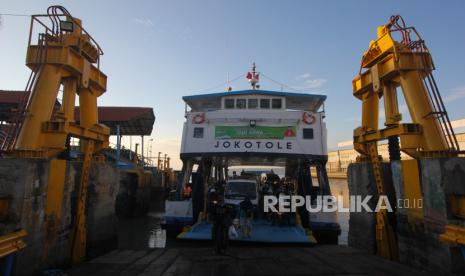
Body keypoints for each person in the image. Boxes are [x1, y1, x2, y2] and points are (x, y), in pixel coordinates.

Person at [208, 189, 230, 254]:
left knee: (223, 236)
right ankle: (218, 249)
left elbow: (226, 211)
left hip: (221, 221)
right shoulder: (214, 203)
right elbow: (212, 211)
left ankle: (222, 249)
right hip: (218, 221)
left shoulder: (221, 203)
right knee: (217, 236)